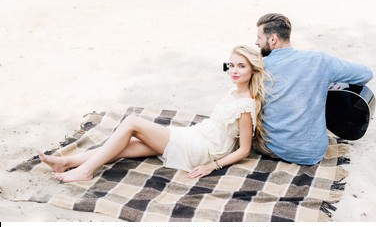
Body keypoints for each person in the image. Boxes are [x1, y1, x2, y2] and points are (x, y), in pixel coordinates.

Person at [39, 45, 269, 182]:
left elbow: (244, 149)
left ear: (253, 69)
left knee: (131, 123)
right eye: (232, 65)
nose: (235, 71)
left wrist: (212, 166)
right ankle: (65, 162)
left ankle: (86, 170)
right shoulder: (233, 91)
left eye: (242, 66)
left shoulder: (246, 105)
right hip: (196, 135)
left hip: (203, 149)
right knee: (127, 144)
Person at [254, 13, 373, 165]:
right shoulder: (320, 60)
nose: (256, 42)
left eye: (259, 37)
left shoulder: (260, 67)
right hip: (314, 153)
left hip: (276, 148)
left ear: (273, 39)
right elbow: (366, 74)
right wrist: (326, 82)